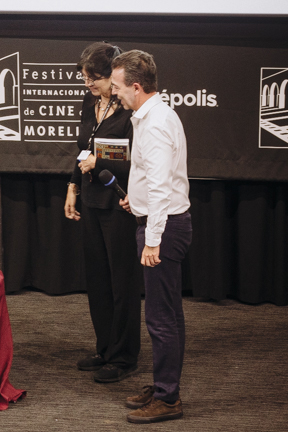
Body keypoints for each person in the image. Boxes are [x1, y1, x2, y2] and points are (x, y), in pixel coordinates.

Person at [111, 50, 192, 424]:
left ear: (137, 86)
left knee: (161, 318)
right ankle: (164, 385)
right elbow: (151, 180)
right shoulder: (149, 116)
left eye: (117, 86)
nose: (115, 93)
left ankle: (168, 398)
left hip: (164, 228)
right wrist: (136, 200)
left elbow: (161, 188)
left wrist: (153, 239)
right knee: (168, 315)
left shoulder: (156, 122)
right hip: (160, 219)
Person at [65, 42, 142, 383]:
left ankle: (124, 357)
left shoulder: (130, 110)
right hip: (92, 200)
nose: (88, 84)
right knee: (96, 279)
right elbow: (84, 149)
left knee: (121, 282)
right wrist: (73, 186)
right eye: (85, 78)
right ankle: (105, 348)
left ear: (113, 75)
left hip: (121, 202)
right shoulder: (89, 102)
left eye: (94, 78)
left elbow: (138, 161)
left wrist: (103, 162)